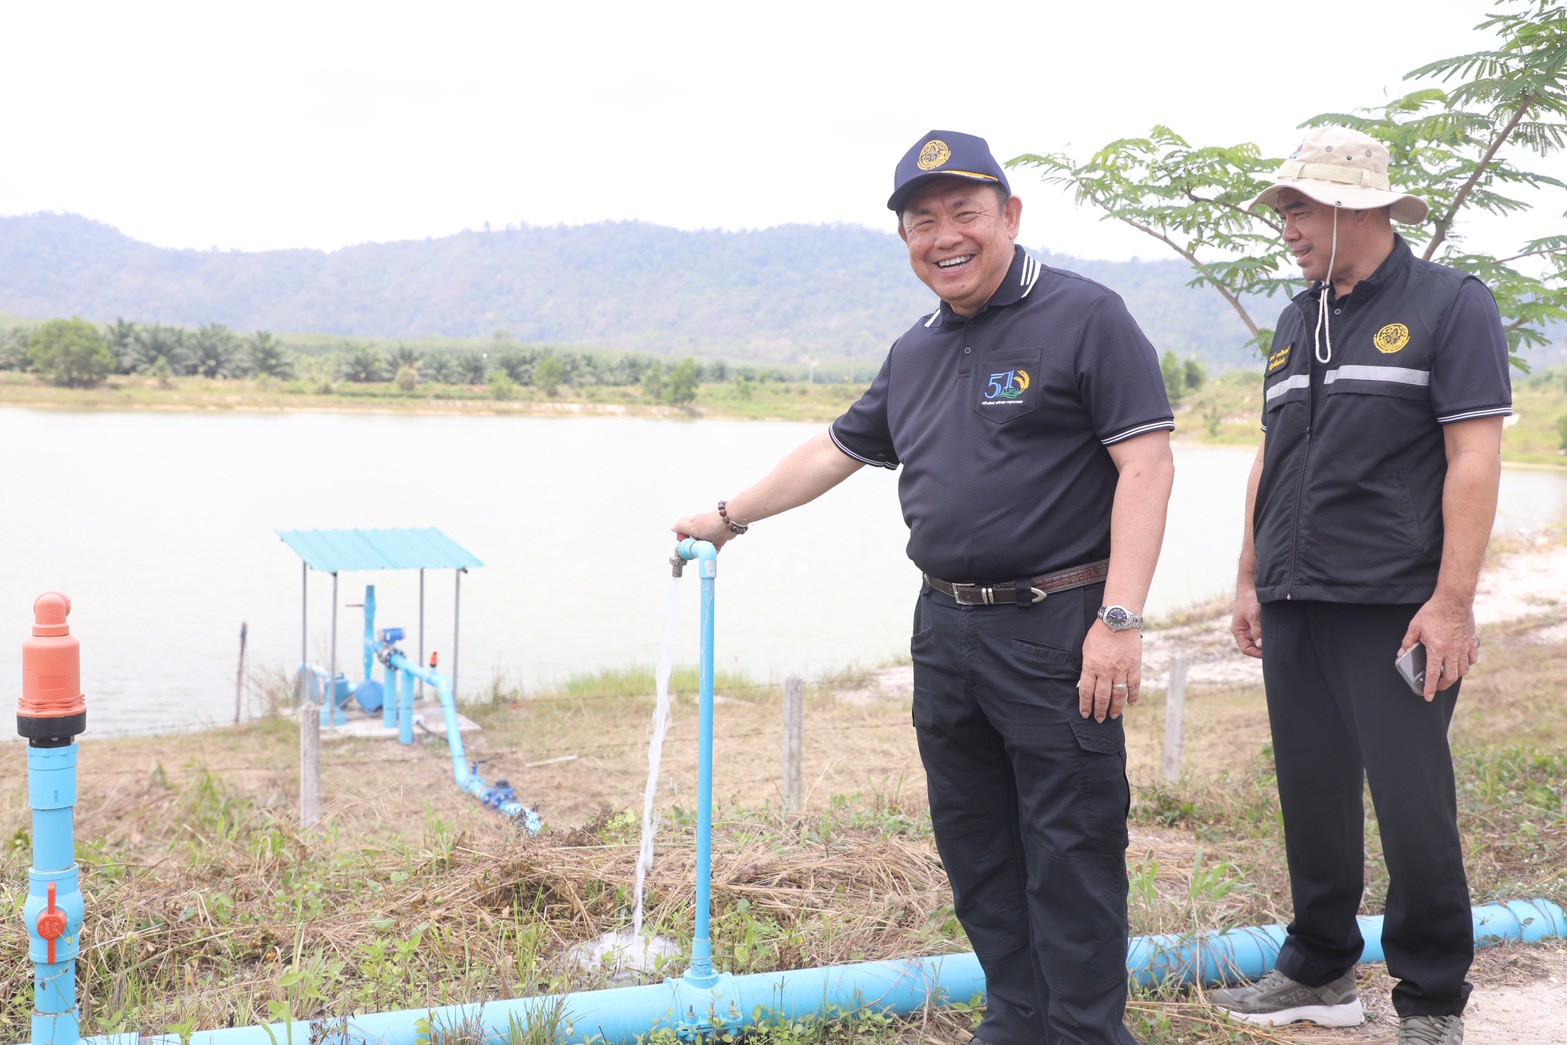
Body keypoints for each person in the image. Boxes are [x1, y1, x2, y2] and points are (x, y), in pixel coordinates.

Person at [674, 130, 1175, 1044]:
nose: (944, 235)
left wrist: (1119, 616)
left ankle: (1085, 1031)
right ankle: (1017, 1017)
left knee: (1071, 847)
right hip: (945, 627)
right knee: (976, 841)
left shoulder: (1085, 316)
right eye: (921, 220)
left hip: (1059, 623)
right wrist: (729, 515)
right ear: (905, 238)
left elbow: (1144, 461)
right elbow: (835, 449)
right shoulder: (915, 349)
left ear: (1009, 217)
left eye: (964, 213)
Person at [1221, 126, 1512, 1045]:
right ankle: (1319, 968)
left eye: (1297, 208)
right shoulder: (1294, 316)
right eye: (1284, 210)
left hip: (1396, 605)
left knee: (1411, 801)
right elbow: (1273, 452)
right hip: (1297, 597)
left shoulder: (1450, 306)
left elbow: (1473, 457)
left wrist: (1452, 601)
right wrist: (1248, 574)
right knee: (1310, 791)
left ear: (1355, 209)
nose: (1286, 227)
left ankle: (1429, 1000)